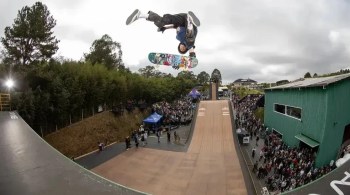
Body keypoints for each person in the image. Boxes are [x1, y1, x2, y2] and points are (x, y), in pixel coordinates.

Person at [126, 9, 200, 57]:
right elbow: (191, 46)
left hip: (186, 22)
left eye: (181, 49)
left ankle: (140, 15)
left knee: (162, 22)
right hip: (187, 21)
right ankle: (189, 22)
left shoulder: (178, 37)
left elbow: (175, 26)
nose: (183, 48)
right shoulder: (186, 43)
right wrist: (165, 28)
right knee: (190, 41)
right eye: (183, 49)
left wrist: (165, 27)